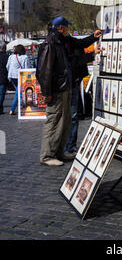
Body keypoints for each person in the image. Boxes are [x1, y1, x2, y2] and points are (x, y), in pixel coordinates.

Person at [37, 16, 102, 167]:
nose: (69, 30)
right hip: (57, 90)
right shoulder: (50, 44)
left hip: (64, 87)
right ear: (61, 28)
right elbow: (43, 71)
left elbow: (77, 46)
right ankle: (47, 156)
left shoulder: (59, 41)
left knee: (64, 122)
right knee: (53, 122)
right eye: (67, 27)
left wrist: (93, 38)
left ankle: (59, 152)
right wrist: (47, 93)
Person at [6, 44, 30, 115]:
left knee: (18, 92)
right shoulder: (25, 57)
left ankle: (15, 108)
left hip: (12, 76)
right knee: (18, 93)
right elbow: (27, 68)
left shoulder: (11, 56)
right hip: (20, 76)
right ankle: (13, 109)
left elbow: (7, 66)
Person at [0, 42, 9, 114]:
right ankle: (0, 108)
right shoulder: (6, 56)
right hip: (3, 77)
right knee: (1, 94)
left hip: (2, 77)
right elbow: (8, 67)